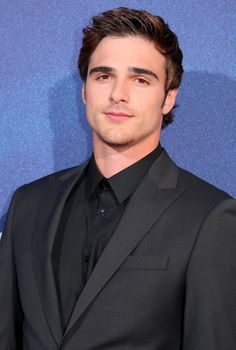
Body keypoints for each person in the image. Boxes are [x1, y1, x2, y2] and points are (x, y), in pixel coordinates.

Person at [0, 7, 236, 350]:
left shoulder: (209, 217)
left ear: (168, 97)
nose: (117, 94)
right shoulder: (29, 204)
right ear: (84, 90)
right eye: (103, 76)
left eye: (140, 79)